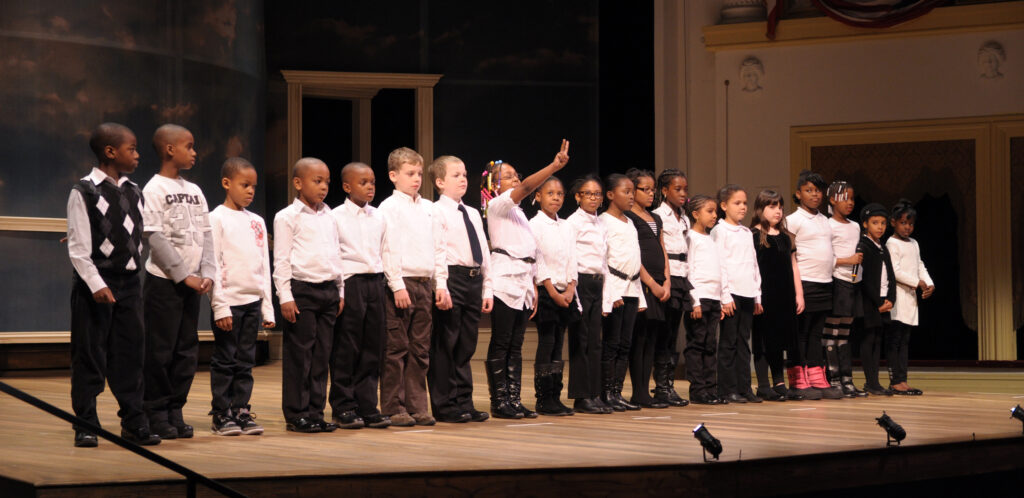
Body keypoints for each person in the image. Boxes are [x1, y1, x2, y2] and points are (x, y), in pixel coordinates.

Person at [67, 123, 160, 447]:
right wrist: (96, 284)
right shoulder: (84, 191)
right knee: (90, 354)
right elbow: (78, 249)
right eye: (131, 149)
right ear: (110, 152)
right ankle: (85, 423)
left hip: (130, 284)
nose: (137, 155)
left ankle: (134, 422)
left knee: (131, 354)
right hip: (97, 286)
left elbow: (135, 236)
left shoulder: (135, 192)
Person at [484, 140, 570, 419]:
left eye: (515, 174)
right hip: (505, 280)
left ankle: (514, 399)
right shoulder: (497, 206)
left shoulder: (519, 214)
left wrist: (532, 286)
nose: (516, 179)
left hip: (522, 283)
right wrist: (554, 167)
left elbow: (531, 252)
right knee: (502, 341)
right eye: (507, 176)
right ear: (494, 186)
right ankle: (499, 401)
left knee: (517, 345)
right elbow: (526, 188)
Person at [142, 124, 216, 439]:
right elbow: (154, 236)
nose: (194, 152)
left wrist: (208, 271)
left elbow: (206, 234)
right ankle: (155, 411)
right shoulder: (153, 188)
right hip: (164, 282)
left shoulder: (195, 191)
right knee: (160, 350)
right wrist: (182, 274)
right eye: (189, 146)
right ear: (170, 149)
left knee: (186, 350)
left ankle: (175, 407)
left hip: (193, 284)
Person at [273, 157, 345, 433]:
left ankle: (316, 410)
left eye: (327, 181)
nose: (324, 186)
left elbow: (335, 255)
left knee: (321, 355)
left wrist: (340, 290)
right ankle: (296, 412)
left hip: (328, 290)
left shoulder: (329, 215)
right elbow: (281, 259)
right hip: (302, 290)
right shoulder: (287, 217)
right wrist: (285, 296)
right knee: (300, 356)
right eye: (317, 181)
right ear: (298, 183)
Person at [378, 147, 446, 427]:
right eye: (410, 174)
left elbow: (439, 248)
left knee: (420, 349)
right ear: (394, 176)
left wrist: (440, 283)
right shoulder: (388, 208)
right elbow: (387, 249)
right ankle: (394, 407)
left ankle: (418, 405)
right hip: (402, 283)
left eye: (419, 173)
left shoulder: (430, 208)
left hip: (423, 283)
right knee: (396, 348)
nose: (416, 178)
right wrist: (396, 285)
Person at [208, 157, 274, 436]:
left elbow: (263, 266)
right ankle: (221, 412)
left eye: (254, 187)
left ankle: (241, 409)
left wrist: (268, 309)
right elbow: (213, 263)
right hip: (229, 303)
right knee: (226, 359)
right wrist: (220, 307)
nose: (250, 191)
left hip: (251, 303)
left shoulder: (256, 221)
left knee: (245, 361)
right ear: (226, 183)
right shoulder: (216, 218)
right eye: (244, 185)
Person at [428, 155, 493, 423]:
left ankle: (464, 400)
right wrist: (440, 285)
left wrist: (488, 287)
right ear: (440, 181)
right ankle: (445, 404)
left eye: (465, 174)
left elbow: (484, 251)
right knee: (446, 342)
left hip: (473, 279)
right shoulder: (436, 211)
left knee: (467, 344)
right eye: (456, 175)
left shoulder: (473, 212)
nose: (464, 179)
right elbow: (438, 251)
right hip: (452, 277)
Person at [329, 162, 392, 429]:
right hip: (351, 282)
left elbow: (386, 251)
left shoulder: (378, 216)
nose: (370, 187)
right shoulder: (335, 216)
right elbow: (333, 254)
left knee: (372, 347)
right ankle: (344, 405)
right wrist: (340, 288)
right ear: (347, 186)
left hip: (375, 282)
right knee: (347, 347)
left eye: (373, 182)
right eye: (363, 182)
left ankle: (367, 405)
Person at [785, 170, 840, 400]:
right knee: (801, 333)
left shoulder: (825, 221)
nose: (814, 195)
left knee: (818, 333)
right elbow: (789, 254)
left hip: (824, 282)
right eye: (809, 190)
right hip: (804, 282)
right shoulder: (793, 219)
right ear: (798, 194)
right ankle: (798, 378)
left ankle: (817, 376)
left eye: (818, 191)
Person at [529, 176, 579, 416]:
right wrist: (551, 290)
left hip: (566, 291)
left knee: (559, 344)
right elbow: (538, 260)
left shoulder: (566, 225)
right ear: (538, 196)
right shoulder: (534, 224)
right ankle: (543, 398)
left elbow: (572, 258)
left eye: (560, 194)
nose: (556, 198)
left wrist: (570, 287)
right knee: (547, 341)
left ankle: (555, 396)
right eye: (550, 193)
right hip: (548, 292)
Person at [623, 169, 670, 409]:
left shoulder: (656, 218)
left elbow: (662, 249)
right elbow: (633, 255)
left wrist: (666, 281)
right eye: (645, 189)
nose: (651, 194)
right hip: (642, 283)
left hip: (660, 284)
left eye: (653, 189)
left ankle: (645, 392)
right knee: (639, 338)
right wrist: (651, 282)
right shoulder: (628, 217)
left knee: (652, 338)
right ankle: (639, 392)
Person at [750, 190, 803, 401]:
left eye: (780, 207)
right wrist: (756, 296)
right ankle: (763, 384)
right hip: (764, 295)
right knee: (763, 339)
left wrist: (799, 294)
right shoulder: (753, 235)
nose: (778, 211)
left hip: (785, 295)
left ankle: (779, 382)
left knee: (780, 339)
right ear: (761, 209)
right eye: (772, 207)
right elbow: (751, 267)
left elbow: (793, 265)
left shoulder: (785, 237)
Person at [565, 175, 612, 414]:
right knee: (580, 341)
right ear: (577, 197)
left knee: (595, 342)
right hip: (580, 282)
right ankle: (581, 396)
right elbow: (570, 256)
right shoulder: (572, 223)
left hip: (597, 282)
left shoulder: (601, 223)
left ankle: (595, 393)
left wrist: (607, 293)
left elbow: (603, 260)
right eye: (588, 193)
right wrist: (572, 289)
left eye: (597, 194)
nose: (594, 198)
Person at [599, 173, 646, 411]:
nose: (631, 196)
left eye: (632, 192)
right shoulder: (604, 222)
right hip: (614, 289)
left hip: (631, 288)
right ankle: (606, 391)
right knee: (612, 342)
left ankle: (617, 392)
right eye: (626, 191)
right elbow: (603, 260)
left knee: (625, 343)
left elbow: (634, 261)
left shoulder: (631, 223)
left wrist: (640, 294)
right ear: (610, 195)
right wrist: (610, 294)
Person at [711, 184, 762, 404]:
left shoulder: (746, 232)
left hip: (747, 292)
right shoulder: (719, 231)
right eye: (737, 203)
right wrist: (725, 296)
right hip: (731, 294)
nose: (743, 207)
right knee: (728, 343)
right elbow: (719, 264)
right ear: (723, 206)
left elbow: (753, 264)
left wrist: (757, 295)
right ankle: (727, 389)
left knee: (744, 343)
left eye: (744, 203)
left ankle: (744, 388)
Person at [650, 168, 691, 407]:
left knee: (674, 335)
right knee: (663, 334)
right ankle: (661, 386)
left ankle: (668, 385)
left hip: (683, 276)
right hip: (668, 277)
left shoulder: (684, 216)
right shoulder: (658, 215)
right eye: (677, 189)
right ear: (664, 191)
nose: (683, 193)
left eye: (685, 189)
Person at [885, 199, 934, 395]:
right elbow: (894, 271)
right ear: (893, 222)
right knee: (895, 340)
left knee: (904, 340)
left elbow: (919, 264)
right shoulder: (891, 243)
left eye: (911, 223)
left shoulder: (914, 243)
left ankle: (903, 379)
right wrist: (917, 282)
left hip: (910, 298)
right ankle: (895, 380)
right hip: (897, 298)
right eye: (903, 222)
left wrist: (929, 283)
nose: (907, 227)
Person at [824, 181, 866, 398]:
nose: (850, 202)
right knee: (832, 331)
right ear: (832, 200)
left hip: (853, 281)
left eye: (852, 198)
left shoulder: (856, 226)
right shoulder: (828, 225)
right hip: (837, 280)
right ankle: (833, 378)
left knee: (845, 334)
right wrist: (847, 260)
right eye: (845, 198)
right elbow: (825, 257)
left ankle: (847, 379)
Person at [684, 195, 726, 405]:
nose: (714, 215)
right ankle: (698, 389)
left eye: (715, 211)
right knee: (697, 344)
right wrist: (695, 300)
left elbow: (720, 269)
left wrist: (723, 298)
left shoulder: (712, 239)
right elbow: (689, 269)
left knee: (711, 345)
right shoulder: (690, 237)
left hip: (714, 298)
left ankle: (711, 389)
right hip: (699, 298)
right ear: (695, 214)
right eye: (709, 211)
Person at [857, 203, 897, 396]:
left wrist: (891, 298)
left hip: (883, 300)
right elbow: (861, 279)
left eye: (882, 223)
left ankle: (875, 382)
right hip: (870, 302)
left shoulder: (882, 246)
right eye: (875, 222)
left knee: (878, 340)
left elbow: (890, 274)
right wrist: (877, 302)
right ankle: (870, 382)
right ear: (865, 224)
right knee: (869, 339)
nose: (880, 227)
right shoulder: (863, 246)